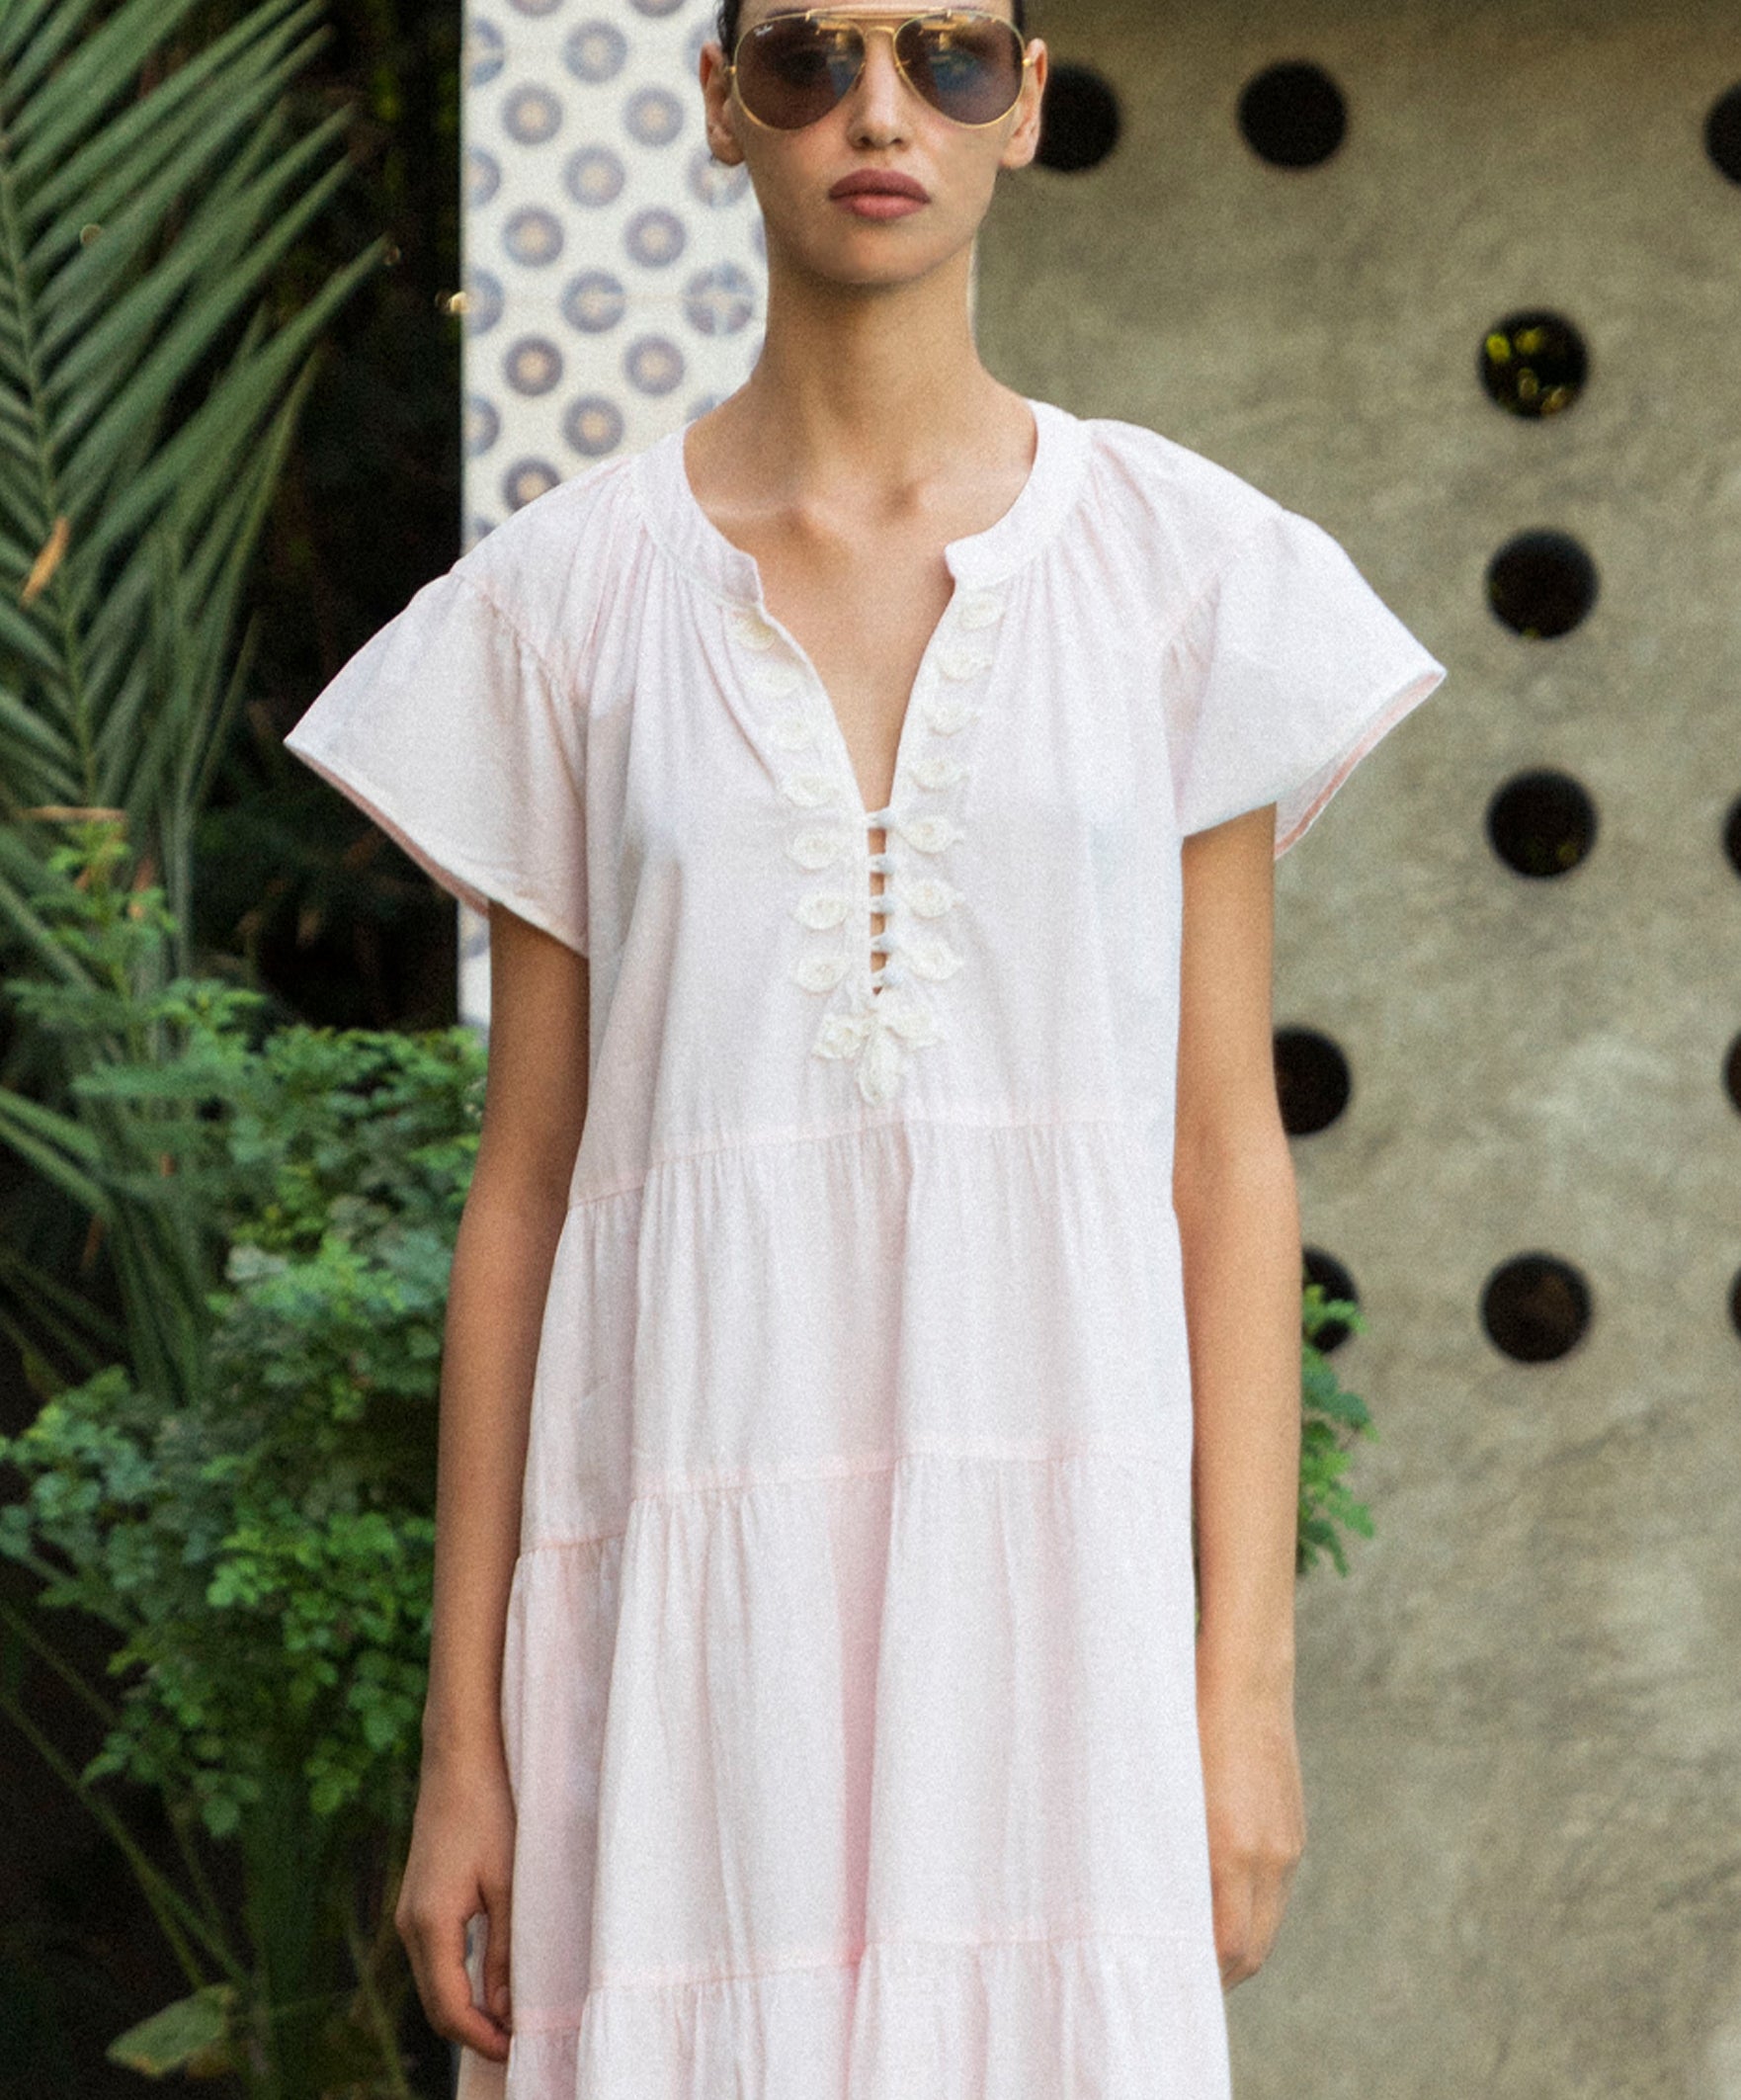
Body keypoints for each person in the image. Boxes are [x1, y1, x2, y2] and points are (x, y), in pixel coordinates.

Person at [283, 1, 1448, 2093]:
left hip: (1055, 1630)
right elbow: (527, 1191)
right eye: (809, 58)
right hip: (679, 1612)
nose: (877, 111)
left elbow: (1222, 1159)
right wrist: (466, 1745)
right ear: (717, 108)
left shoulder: (1181, 573)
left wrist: (1242, 1693)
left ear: (1030, 100)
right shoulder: (562, 608)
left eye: (945, 55)